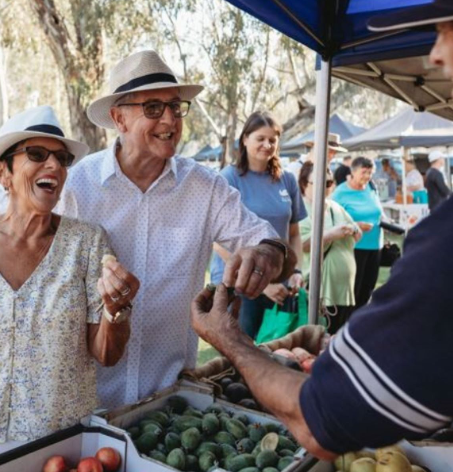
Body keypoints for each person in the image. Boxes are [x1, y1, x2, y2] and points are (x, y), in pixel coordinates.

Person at [189, 3, 453, 460]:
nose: (434, 54)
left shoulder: (441, 247)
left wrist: (231, 337)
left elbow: (325, 416)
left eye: (448, 31)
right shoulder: (227, 180)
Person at [57, 50, 294, 409]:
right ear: (118, 118)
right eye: (153, 107)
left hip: (170, 403)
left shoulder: (204, 186)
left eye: (175, 106)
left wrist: (267, 254)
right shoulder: (77, 187)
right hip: (87, 402)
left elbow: (270, 242)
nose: (170, 118)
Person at [0, 106, 139, 468]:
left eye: (62, 158)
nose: (54, 166)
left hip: (62, 447)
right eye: (37, 155)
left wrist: (116, 310)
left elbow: (106, 354)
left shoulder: (86, 244)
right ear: (2, 172)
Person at [209, 111, 307, 338]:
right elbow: (217, 240)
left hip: (279, 283)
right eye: (260, 138)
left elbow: (293, 234)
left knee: (277, 353)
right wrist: (262, 285)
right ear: (245, 139)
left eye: (272, 140)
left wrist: (296, 271)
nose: (267, 145)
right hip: (238, 285)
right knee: (241, 357)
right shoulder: (229, 178)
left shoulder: (287, 180)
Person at [298, 162, 361, 334]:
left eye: (328, 183)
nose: (325, 187)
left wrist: (354, 230)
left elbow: (357, 231)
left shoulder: (335, 206)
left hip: (344, 289)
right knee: (318, 339)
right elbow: (301, 245)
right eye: (318, 182)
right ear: (304, 184)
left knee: (337, 337)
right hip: (320, 290)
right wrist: (331, 234)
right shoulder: (301, 209)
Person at [332, 157, 383, 310]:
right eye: (364, 172)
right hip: (353, 247)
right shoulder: (340, 192)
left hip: (375, 246)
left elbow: (378, 212)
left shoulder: (371, 188)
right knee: (353, 290)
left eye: (370, 172)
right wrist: (355, 225)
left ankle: (361, 324)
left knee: (367, 289)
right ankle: (347, 325)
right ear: (353, 172)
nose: (367, 176)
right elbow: (331, 219)